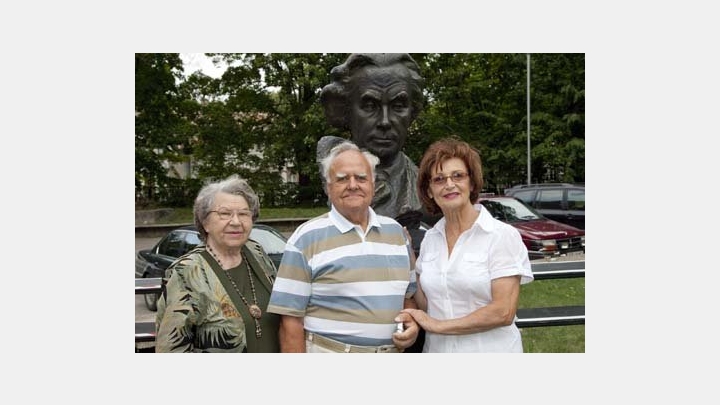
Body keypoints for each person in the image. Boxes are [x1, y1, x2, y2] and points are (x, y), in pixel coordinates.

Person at [267, 141, 419, 353]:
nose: (353, 184)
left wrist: (411, 323)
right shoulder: (306, 238)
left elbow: (408, 298)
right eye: (342, 179)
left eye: (361, 178)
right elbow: (290, 320)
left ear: (373, 186)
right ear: (329, 188)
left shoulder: (396, 234)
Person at [401, 138, 534, 352]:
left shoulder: (501, 236)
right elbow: (430, 305)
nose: (449, 184)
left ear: (471, 183)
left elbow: (503, 311)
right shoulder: (431, 239)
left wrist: (438, 326)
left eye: (458, 176)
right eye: (439, 179)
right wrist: (411, 263)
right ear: (429, 191)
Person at [155, 175, 281, 353]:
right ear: (205, 222)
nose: (236, 222)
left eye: (244, 214)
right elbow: (170, 349)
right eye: (225, 213)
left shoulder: (256, 252)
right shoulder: (187, 272)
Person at [318, 53, 426, 220]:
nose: (385, 121)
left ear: (412, 111)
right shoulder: (329, 166)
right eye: (369, 106)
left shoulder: (426, 189)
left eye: (398, 106)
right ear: (345, 110)